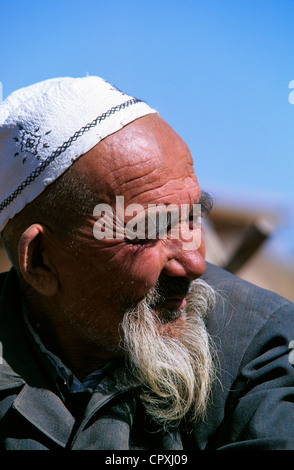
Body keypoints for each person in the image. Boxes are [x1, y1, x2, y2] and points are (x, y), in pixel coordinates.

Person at [0, 76, 294, 451]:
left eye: (192, 217)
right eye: (147, 231)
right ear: (41, 260)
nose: (193, 262)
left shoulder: (262, 350)